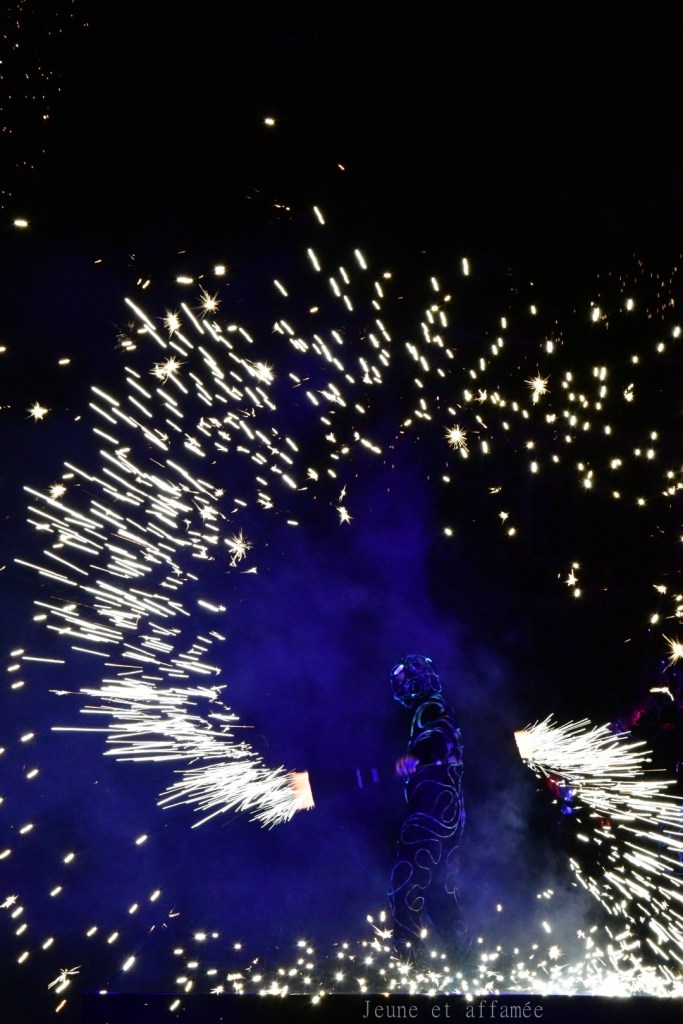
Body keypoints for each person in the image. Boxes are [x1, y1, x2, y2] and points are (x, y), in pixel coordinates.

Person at [388, 654, 467, 965]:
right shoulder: (432, 707)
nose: (399, 687)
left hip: (432, 808)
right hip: (449, 810)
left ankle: (410, 965)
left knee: (405, 883)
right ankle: (466, 960)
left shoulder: (431, 706)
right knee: (439, 892)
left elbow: (439, 732)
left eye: (403, 680)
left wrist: (417, 755)